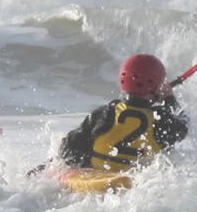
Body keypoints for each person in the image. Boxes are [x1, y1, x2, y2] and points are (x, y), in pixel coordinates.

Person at [57, 54, 188, 171]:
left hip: (98, 176)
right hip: (140, 182)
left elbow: (69, 149)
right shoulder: (160, 119)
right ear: (158, 86)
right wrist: (169, 98)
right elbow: (183, 125)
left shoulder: (106, 113)